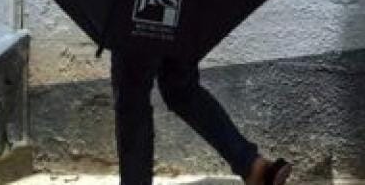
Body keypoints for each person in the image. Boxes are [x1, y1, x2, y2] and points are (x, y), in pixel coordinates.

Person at [111, 48, 293, 184]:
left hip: (135, 18)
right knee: (181, 89)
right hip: (184, 15)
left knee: (131, 100)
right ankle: (252, 165)